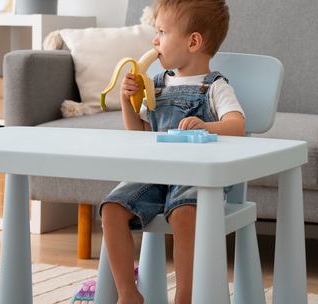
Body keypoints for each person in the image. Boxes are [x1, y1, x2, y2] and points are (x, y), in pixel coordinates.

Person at [99, 0, 244, 303]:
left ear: (193, 42)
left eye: (162, 32)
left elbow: (237, 125)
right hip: (156, 175)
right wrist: (127, 102)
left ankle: (184, 297)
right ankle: (128, 294)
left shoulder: (214, 87)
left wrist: (205, 126)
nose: (155, 41)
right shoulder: (155, 85)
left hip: (196, 179)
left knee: (183, 215)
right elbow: (139, 134)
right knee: (111, 208)